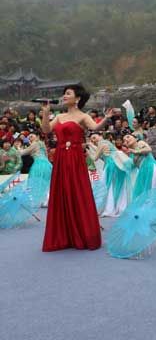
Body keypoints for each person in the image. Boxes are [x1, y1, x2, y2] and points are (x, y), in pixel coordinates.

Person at [41, 84, 113, 252]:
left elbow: (95, 127)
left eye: (68, 93)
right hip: (60, 158)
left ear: (78, 98)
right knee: (61, 192)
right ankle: (64, 236)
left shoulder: (83, 116)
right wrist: (45, 114)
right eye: (64, 94)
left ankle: (84, 234)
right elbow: (46, 129)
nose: (64, 96)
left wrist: (106, 118)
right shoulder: (59, 116)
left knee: (78, 191)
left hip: (75, 158)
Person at [90, 132, 134, 217]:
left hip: (111, 166)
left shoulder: (102, 143)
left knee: (109, 186)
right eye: (92, 139)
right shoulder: (107, 142)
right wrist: (91, 146)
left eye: (94, 137)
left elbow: (95, 158)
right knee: (115, 186)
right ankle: (116, 205)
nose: (93, 140)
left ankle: (110, 207)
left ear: (100, 136)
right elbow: (100, 150)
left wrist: (88, 150)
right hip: (116, 164)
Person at [122, 133, 156, 199]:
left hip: (152, 169)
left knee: (152, 192)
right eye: (124, 140)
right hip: (143, 174)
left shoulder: (140, 143)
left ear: (136, 138)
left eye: (128, 137)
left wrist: (136, 151)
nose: (126, 140)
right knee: (145, 195)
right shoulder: (131, 155)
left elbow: (149, 149)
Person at [19, 132, 53, 205]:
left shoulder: (34, 144)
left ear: (37, 136)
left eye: (32, 136)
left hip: (39, 164)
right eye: (29, 137)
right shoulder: (42, 143)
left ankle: (39, 201)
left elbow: (23, 152)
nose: (30, 138)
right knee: (46, 182)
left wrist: (18, 148)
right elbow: (46, 155)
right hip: (48, 165)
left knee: (36, 182)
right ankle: (46, 201)